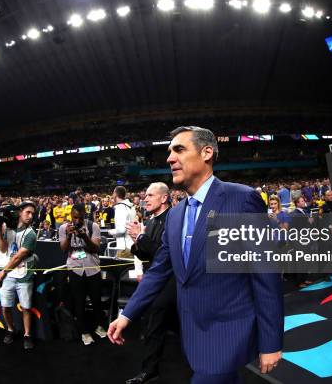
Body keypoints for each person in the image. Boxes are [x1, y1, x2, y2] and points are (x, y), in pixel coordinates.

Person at [108, 126, 284, 383]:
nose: (169, 158)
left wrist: (270, 340)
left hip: (228, 331)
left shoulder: (241, 199)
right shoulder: (176, 215)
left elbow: (265, 273)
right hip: (192, 332)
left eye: (179, 149)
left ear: (207, 153)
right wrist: (127, 314)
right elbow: (159, 270)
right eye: (169, 152)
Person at [125, 182, 173, 384]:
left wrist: (141, 237)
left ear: (164, 198)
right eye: (146, 195)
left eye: (151, 195)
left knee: (156, 324)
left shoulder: (172, 219)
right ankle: (151, 369)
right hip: (154, 279)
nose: (146, 199)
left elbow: (164, 255)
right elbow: (147, 254)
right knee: (155, 325)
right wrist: (136, 242)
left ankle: (149, 371)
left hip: (170, 282)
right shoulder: (151, 221)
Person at [59, 203, 107, 346]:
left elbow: (95, 248)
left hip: (93, 269)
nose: (77, 221)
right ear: (71, 216)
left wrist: (84, 236)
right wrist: (68, 236)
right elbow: (63, 249)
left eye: (80, 218)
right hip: (75, 270)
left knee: (96, 300)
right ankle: (84, 332)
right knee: (79, 302)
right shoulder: (63, 228)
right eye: (74, 218)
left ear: (84, 216)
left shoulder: (93, 226)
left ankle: (99, 326)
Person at [0, 201, 38, 350]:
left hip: (24, 274)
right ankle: (11, 329)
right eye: (28, 212)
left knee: (26, 307)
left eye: (32, 213)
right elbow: (2, 249)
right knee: (5, 305)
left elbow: (18, 257)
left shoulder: (31, 234)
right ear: (20, 212)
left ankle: (27, 335)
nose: (30, 216)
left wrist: (4, 271)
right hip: (10, 273)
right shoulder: (10, 229)